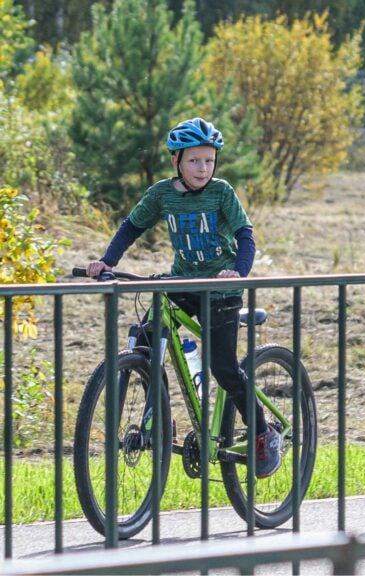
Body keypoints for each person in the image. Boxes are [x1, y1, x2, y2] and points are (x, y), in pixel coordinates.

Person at [86, 117, 281, 477]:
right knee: (145, 336)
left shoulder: (221, 192)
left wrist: (238, 272)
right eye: (194, 160)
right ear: (176, 160)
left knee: (223, 368)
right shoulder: (161, 194)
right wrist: (106, 262)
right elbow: (132, 227)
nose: (203, 168)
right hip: (183, 282)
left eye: (209, 160)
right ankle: (160, 418)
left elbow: (245, 235)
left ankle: (261, 433)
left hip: (222, 291)